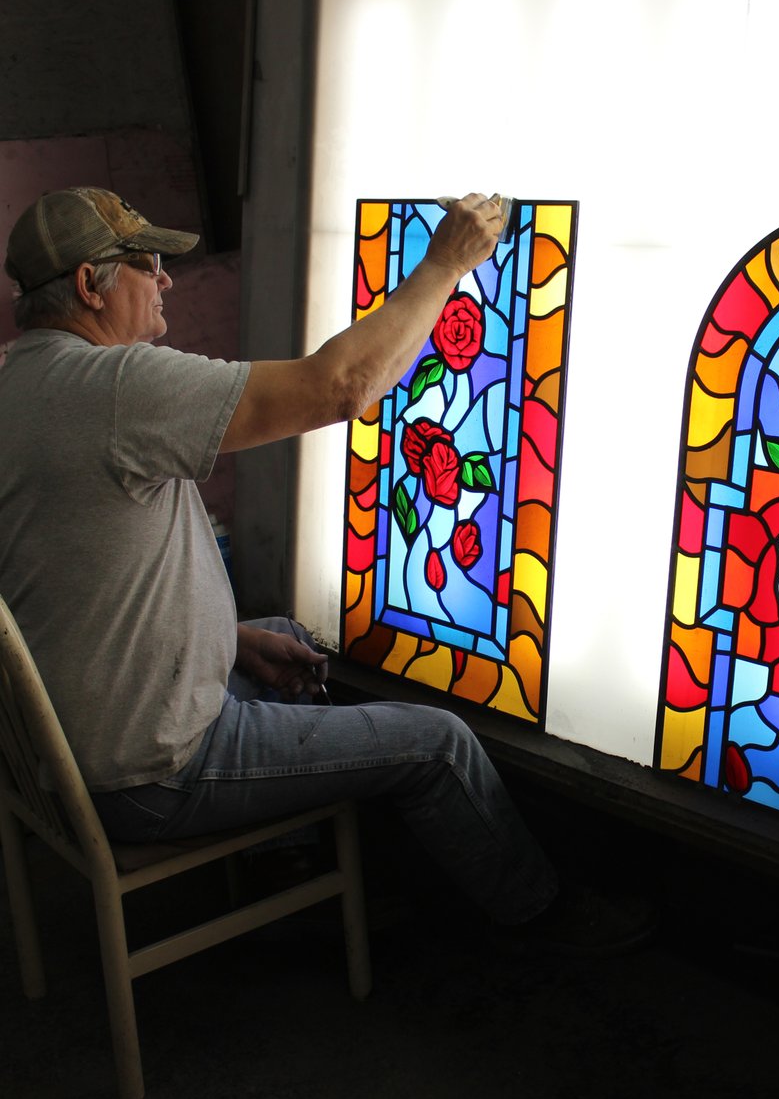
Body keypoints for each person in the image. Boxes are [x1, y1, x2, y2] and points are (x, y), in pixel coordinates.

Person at [0, 186, 651, 956]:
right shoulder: (119, 387)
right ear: (87, 285)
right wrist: (446, 262)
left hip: (66, 753)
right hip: (150, 775)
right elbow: (344, 387)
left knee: (281, 637)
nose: (166, 280)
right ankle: (545, 924)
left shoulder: (19, 382)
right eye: (148, 264)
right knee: (438, 743)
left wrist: (231, 639)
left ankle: (291, 864)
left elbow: (75, 576)